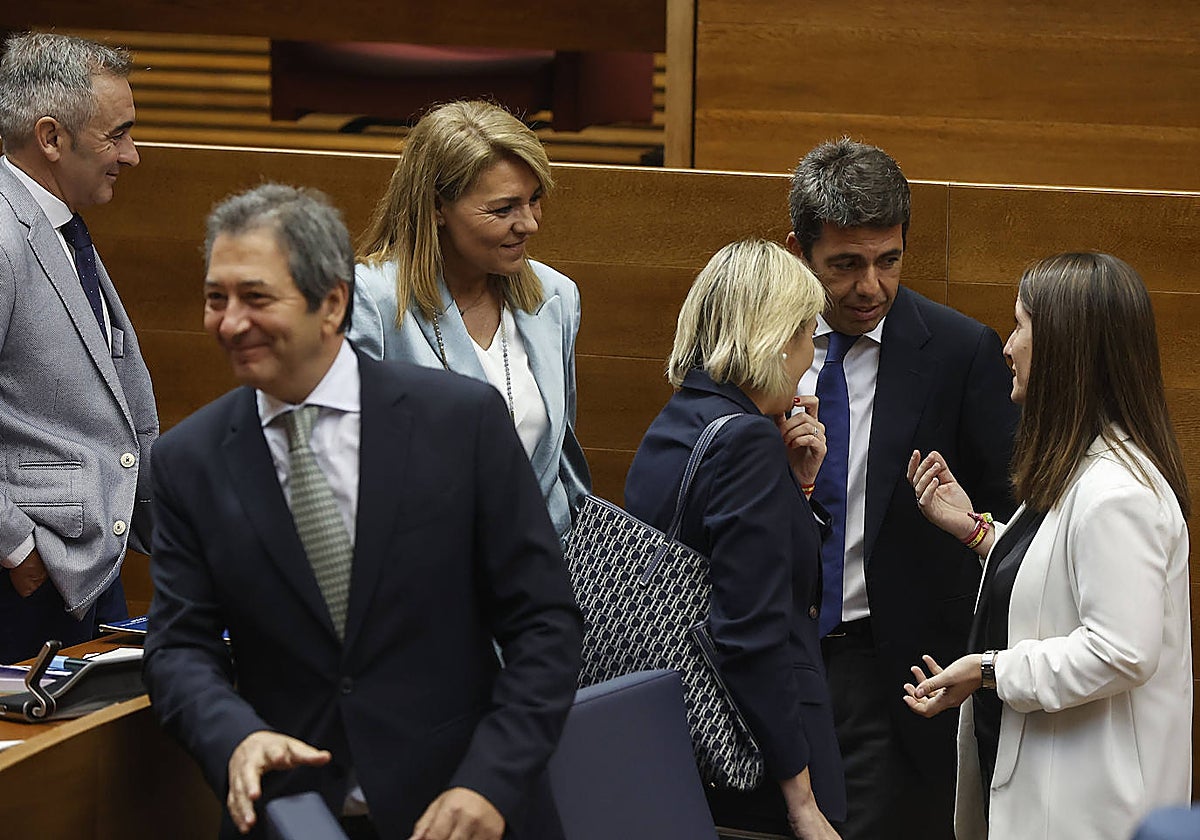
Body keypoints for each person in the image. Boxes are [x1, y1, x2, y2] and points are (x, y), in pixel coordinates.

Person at [143, 184, 583, 840]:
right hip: (296, 812)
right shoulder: (187, 461)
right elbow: (179, 646)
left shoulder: (459, 421)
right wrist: (235, 739)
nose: (229, 322)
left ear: (333, 304)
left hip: (465, 808)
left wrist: (490, 782)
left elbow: (544, 622)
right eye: (216, 298)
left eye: (256, 298)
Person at [905, 252, 1192, 840]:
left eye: (1019, 327)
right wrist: (978, 530)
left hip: (1092, 811)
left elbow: (1121, 650)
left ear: (1066, 349)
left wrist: (989, 670)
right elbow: (1058, 579)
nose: (1006, 347)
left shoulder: (1116, 491)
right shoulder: (1080, 470)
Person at [785, 138, 1019, 839]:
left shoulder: (958, 352)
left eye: (889, 261)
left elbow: (1013, 522)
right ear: (798, 250)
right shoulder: (757, 342)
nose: (870, 288)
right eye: (846, 265)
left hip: (887, 675)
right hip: (770, 653)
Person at [625, 240, 845, 839]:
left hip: (674, 743)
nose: (809, 359)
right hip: (751, 768)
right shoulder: (745, 443)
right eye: (809, 338)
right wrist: (800, 798)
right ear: (776, 340)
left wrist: (797, 489)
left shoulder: (678, 419)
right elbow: (752, 635)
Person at [352, 100, 590, 540]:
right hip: (423, 573)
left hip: (536, 574)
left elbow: (562, 463)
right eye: (503, 210)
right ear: (437, 207)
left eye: (534, 200)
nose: (529, 224)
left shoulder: (557, 297)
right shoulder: (371, 301)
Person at [0, 32, 155, 664]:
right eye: (115, 135)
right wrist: (17, 548)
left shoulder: (58, 223)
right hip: (29, 573)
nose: (133, 154)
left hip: (88, 559)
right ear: (51, 138)